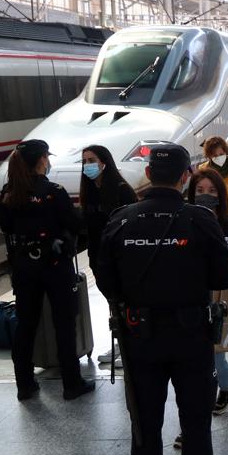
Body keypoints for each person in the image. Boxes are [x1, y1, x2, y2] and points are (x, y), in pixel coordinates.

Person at [95, 144, 228, 455]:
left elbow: (105, 279)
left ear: (148, 175)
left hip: (139, 339)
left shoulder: (121, 221)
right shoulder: (198, 220)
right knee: (195, 425)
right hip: (191, 338)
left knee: (145, 426)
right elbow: (223, 279)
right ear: (185, 176)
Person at [0, 140, 94, 401]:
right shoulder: (54, 190)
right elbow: (74, 224)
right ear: (41, 160)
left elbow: (5, 226)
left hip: (23, 266)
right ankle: (71, 383)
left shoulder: (10, 191)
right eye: (46, 158)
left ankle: (25, 385)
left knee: (26, 324)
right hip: (54, 265)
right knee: (64, 322)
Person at [187, 169, 228, 417]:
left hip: (218, 296)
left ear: (220, 195)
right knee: (194, 360)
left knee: (216, 356)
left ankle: (226, 386)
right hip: (189, 295)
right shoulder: (183, 221)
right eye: (200, 191)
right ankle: (195, 417)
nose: (205, 196)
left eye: (211, 191)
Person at [81, 145, 139, 367]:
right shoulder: (90, 191)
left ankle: (129, 346)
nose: (88, 165)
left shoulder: (121, 189)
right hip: (98, 257)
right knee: (111, 302)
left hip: (120, 257)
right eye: (84, 161)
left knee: (124, 301)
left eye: (92, 160)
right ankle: (120, 343)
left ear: (104, 162)